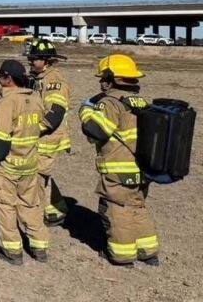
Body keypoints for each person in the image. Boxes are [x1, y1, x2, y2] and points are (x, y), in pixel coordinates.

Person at [79, 54, 159, 266]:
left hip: (118, 170)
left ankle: (122, 254)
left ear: (110, 79)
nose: (100, 83)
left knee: (117, 210)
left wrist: (85, 111)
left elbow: (95, 130)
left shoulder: (110, 103)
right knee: (137, 207)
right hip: (141, 168)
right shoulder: (140, 102)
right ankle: (148, 251)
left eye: (102, 78)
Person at [0, 60, 50, 265]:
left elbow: (1, 141)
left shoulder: (6, 103)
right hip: (29, 163)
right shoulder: (35, 99)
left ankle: (12, 251)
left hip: (7, 165)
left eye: (1, 76)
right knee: (30, 205)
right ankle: (39, 247)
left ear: (8, 78)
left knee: (5, 206)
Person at [26, 38, 72, 226]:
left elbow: (55, 113)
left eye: (34, 59)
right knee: (42, 175)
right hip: (40, 136)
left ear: (46, 60)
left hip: (48, 137)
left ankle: (39, 215)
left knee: (37, 176)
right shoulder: (39, 78)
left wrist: (32, 130)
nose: (30, 62)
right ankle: (55, 210)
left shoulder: (54, 81)